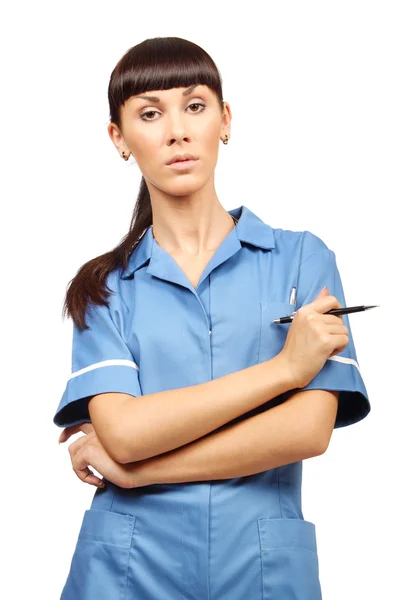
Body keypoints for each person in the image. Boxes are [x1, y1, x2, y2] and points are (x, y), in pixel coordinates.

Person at [54, 36, 370, 600]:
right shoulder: (103, 288)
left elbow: (307, 430)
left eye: (195, 106)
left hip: (261, 570)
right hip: (126, 572)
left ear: (225, 120)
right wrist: (284, 371)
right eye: (149, 113)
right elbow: (123, 434)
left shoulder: (302, 260)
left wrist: (140, 471)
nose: (176, 130)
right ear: (118, 138)